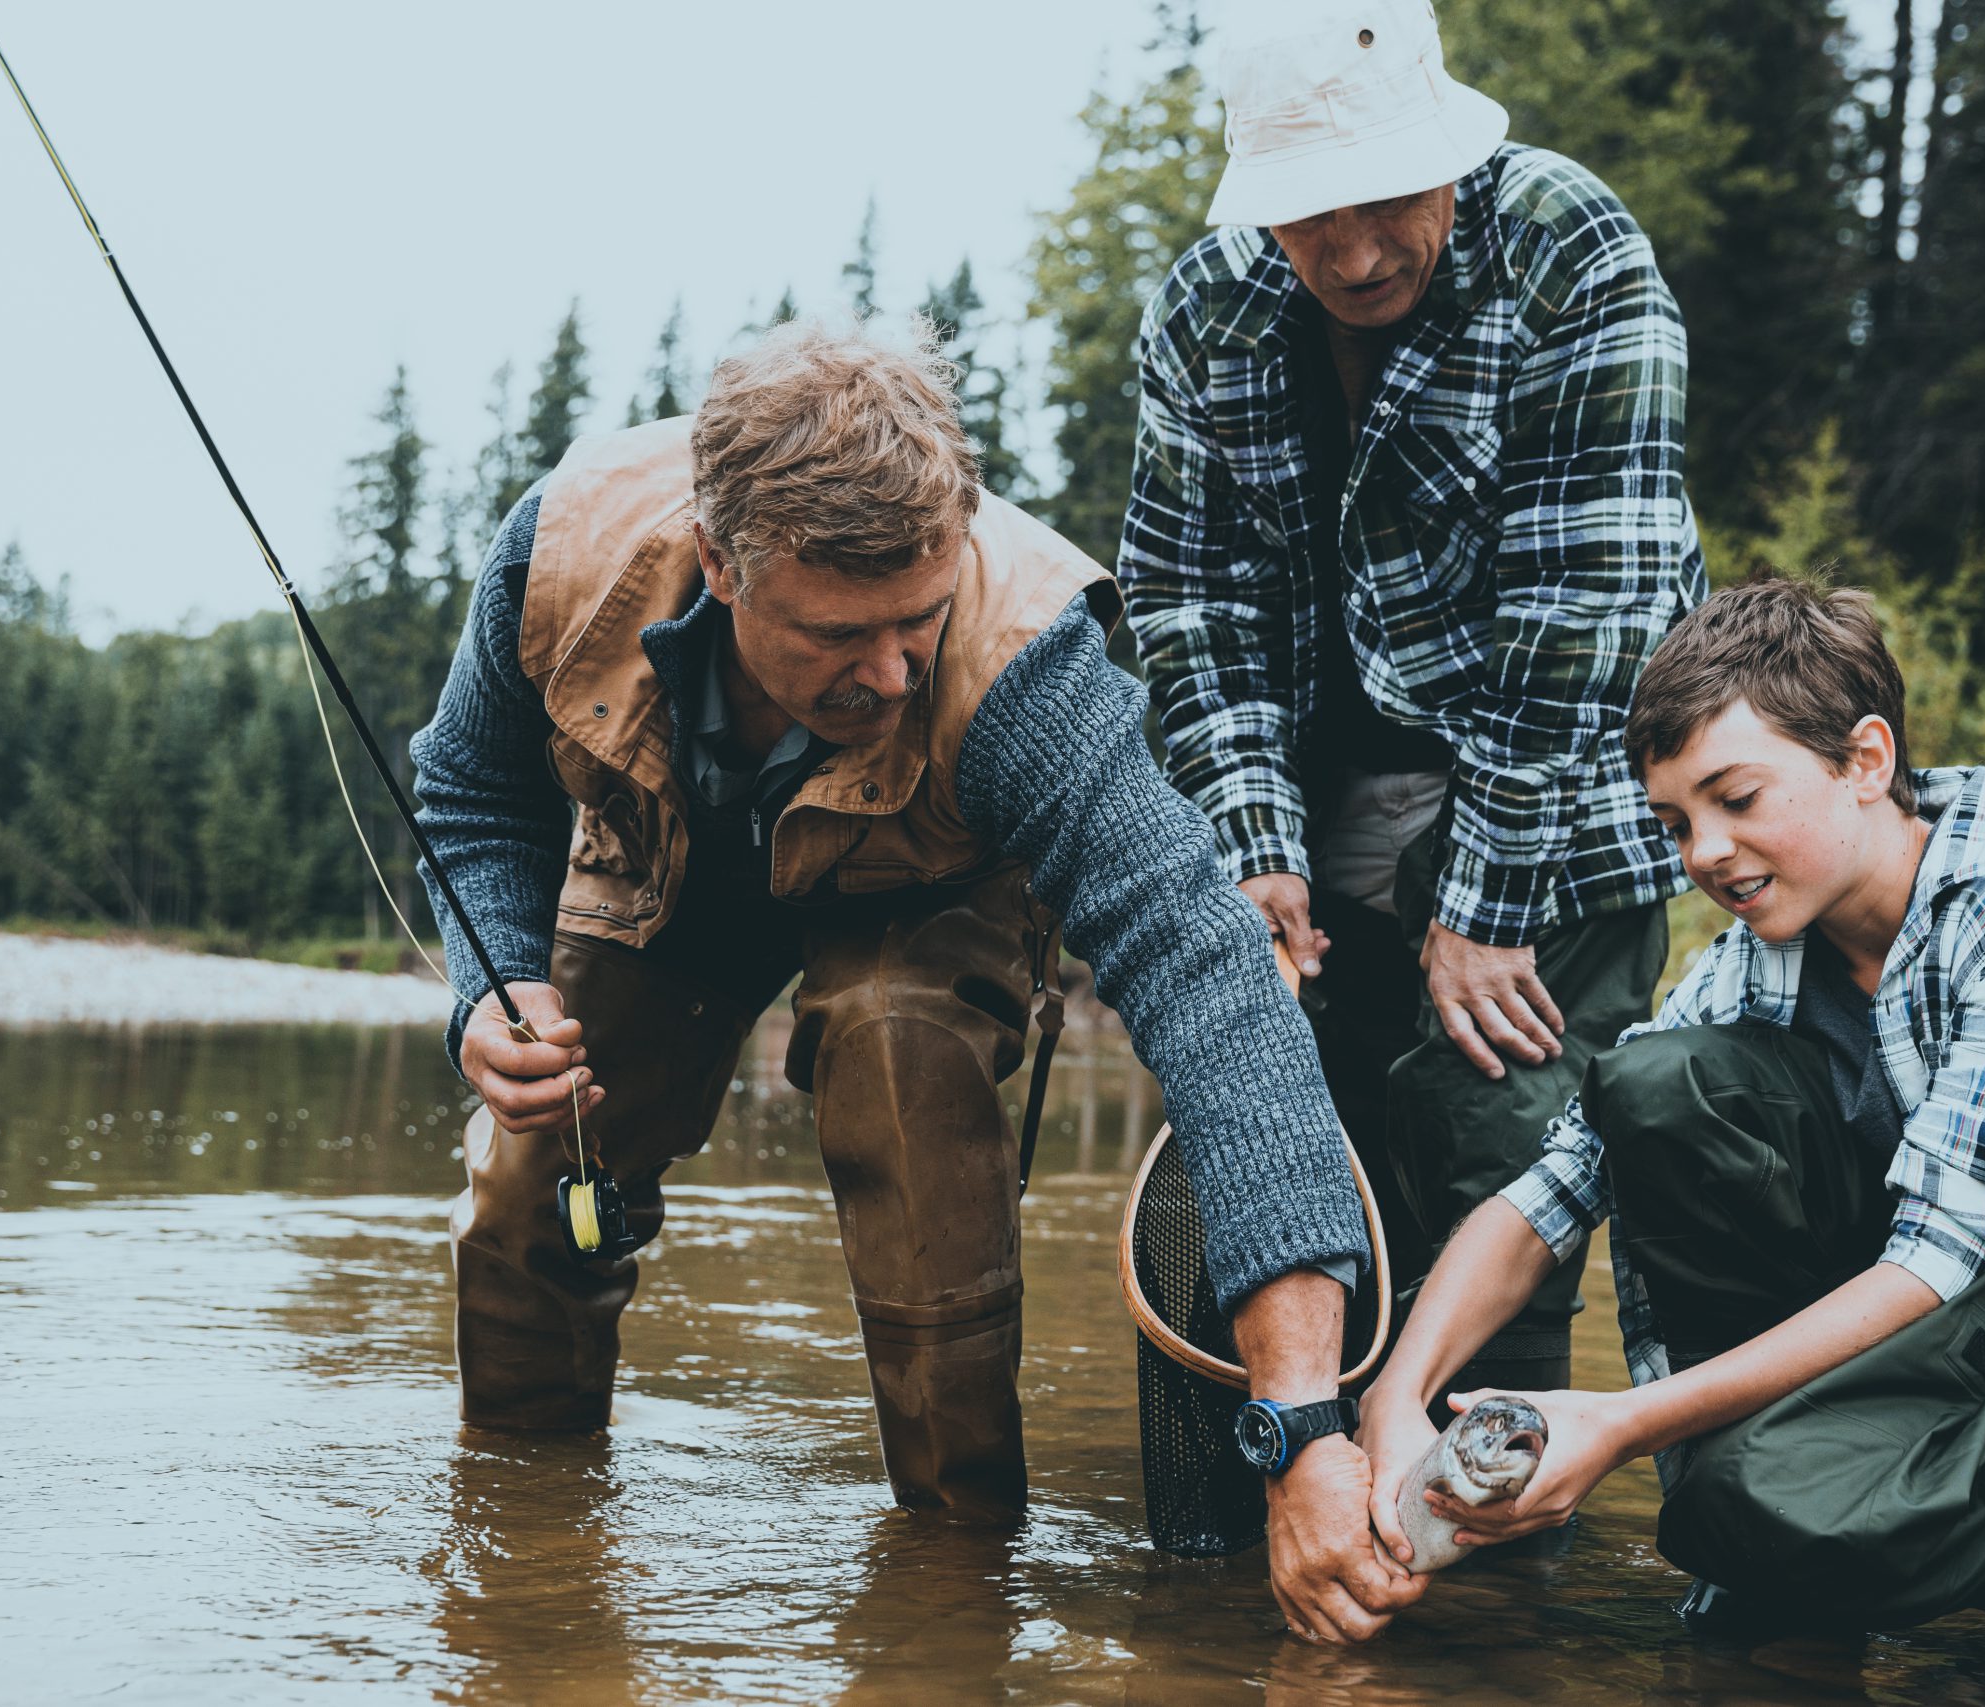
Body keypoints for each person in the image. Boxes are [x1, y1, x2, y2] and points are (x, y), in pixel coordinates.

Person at [408, 316, 1421, 1640]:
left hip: (929, 882)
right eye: (840, 632)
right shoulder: (568, 551)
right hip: (670, 861)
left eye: (917, 621)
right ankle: (525, 1542)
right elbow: (471, 787)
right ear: (722, 564)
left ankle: (956, 1573)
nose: (889, 672)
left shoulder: (1024, 663)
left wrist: (1300, 1418)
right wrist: (488, 985)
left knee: (898, 1057)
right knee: (539, 1164)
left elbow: (1207, 972)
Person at [1358, 574, 1985, 1704]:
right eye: (1675, 823)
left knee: (1740, 1507)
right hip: (1940, 1345)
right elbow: (1555, 1188)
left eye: (1737, 798)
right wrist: (1393, 1398)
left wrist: (1615, 1425)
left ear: (1865, 760)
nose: (1704, 852)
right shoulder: (1764, 953)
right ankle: (1788, 1507)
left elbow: (1936, 1259)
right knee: (1652, 1085)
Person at [1121, 0, 1704, 1407]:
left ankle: (1495, 1563)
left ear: (1451, 157)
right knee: (1289, 1156)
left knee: (1500, 1140)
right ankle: (1301, 1495)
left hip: (1548, 812)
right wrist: (1251, 848)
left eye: (1388, 198)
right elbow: (1189, 601)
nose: (1357, 250)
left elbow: (1590, 614)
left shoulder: (1572, 251)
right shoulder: (1205, 313)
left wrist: (1487, 903)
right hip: (1313, 804)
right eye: (1312, 215)